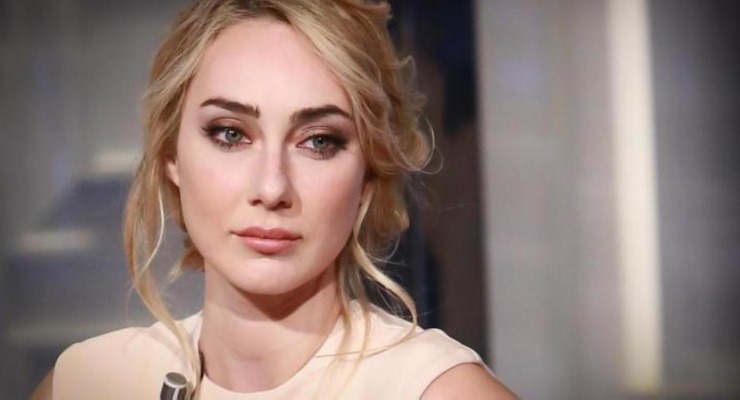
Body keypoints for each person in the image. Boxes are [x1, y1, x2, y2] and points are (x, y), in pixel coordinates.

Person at [32, 0, 517, 398]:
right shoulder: (88, 383)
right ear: (170, 154)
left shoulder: (440, 392)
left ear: (368, 174)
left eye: (318, 141)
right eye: (230, 134)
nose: (271, 188)